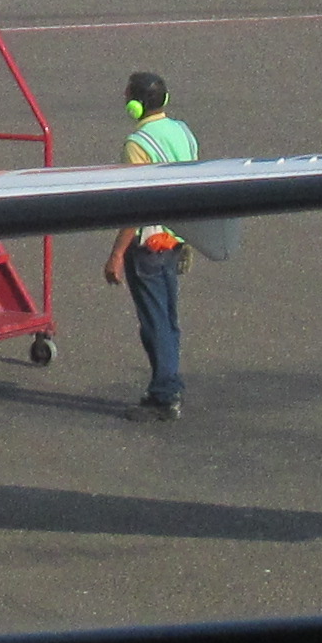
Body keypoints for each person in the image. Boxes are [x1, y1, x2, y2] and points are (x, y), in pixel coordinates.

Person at [103, 69, 198, 420]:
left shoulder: (138, 144)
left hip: (148, 245)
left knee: (155, 321)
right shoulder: (183, 132)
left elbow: (136, 205)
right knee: (168, 319)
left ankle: (165, 393)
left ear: (135, 105)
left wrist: (116, 254)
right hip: (174, 238)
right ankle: (167, 385)